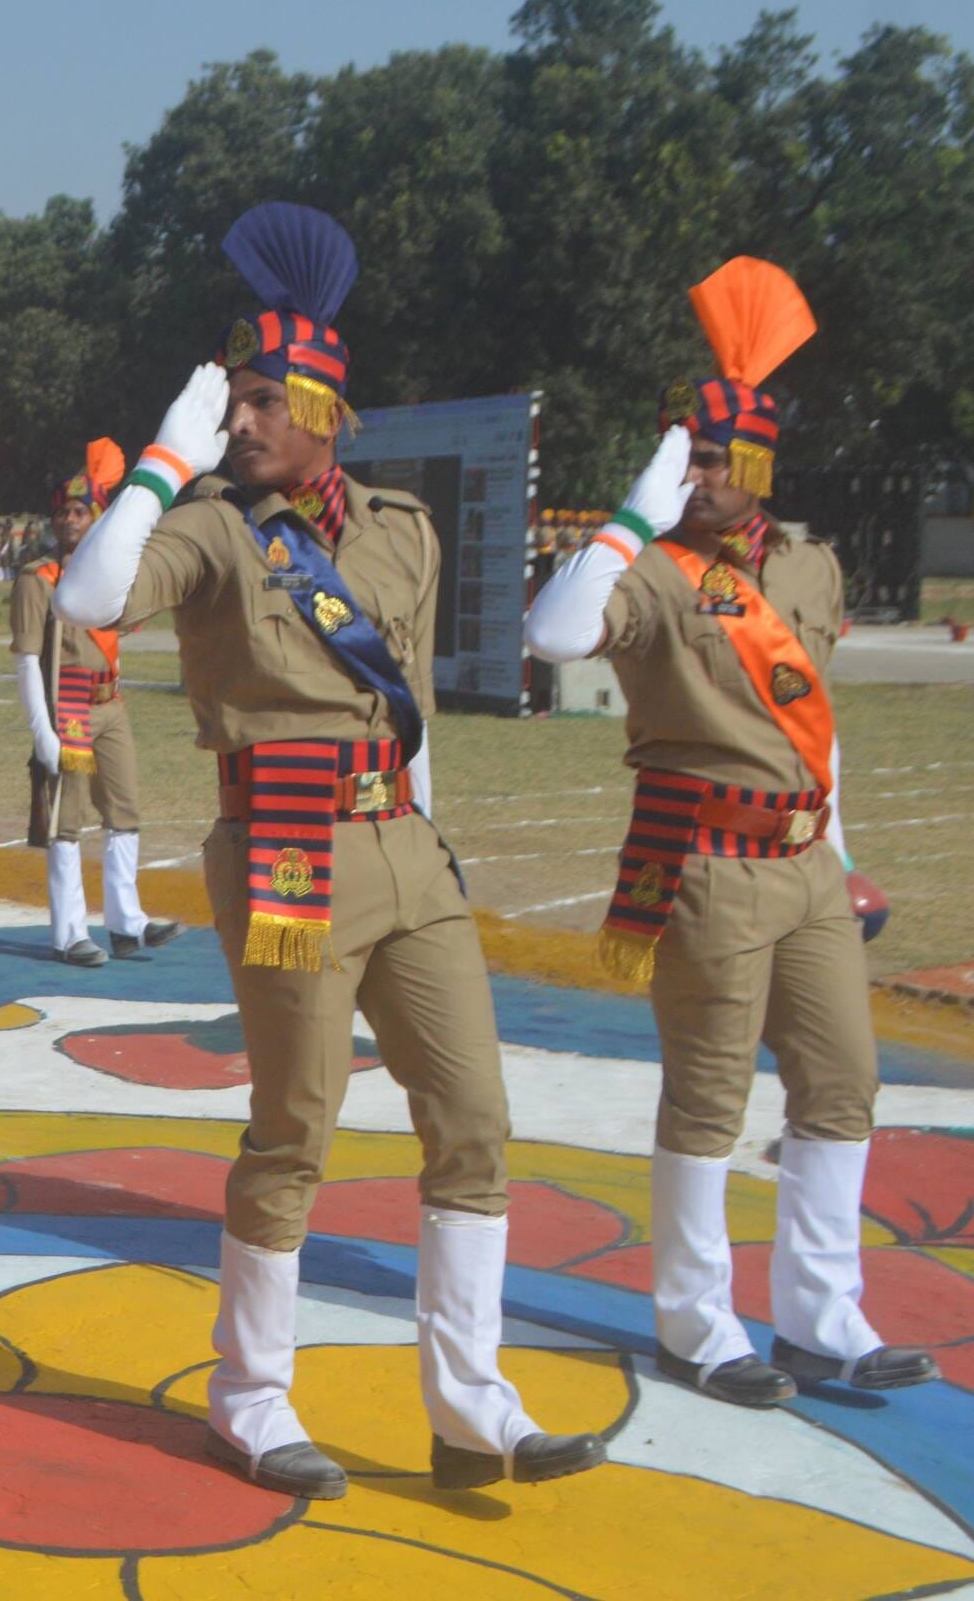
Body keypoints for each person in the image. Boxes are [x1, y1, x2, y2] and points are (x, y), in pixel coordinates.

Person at [56, 203, 601, 1495]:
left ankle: (470, 1407)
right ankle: (247, 1395)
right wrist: (156, 461)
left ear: (320, 404)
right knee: (293, 1126)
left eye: (256, 400)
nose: (235, 422)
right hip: (287, 842)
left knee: (472, 1116)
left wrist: (428, 834)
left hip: (401, 843)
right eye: (228, 403)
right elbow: (86, 599)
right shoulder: (203, 527)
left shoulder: (400, 529)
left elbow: (405, 696)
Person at [521, 255, 937, 1403]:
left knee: (840, 1081)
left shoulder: (806, 560)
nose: (691, 472)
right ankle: (695, 1321)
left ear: (753, 460)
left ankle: (819, 1312)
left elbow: (819, 728)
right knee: (707, 1093)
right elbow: (554, 634)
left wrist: (844, 856)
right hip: (705, 865)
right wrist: (626, 513)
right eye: (677, 452)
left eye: (705, 455)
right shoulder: (649, 570)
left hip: (804, 861)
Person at [12, 439, 181, 965]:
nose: (70, 520)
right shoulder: (38, 579)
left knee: (124, 809)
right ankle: (68, 932)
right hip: (69, 708)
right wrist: (41, 730)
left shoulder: (109, 575)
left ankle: (126, 922)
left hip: (111, 704)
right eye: (62, 511)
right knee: (67, 818)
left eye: (81, 511)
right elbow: (24, 658)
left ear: (97, 517)